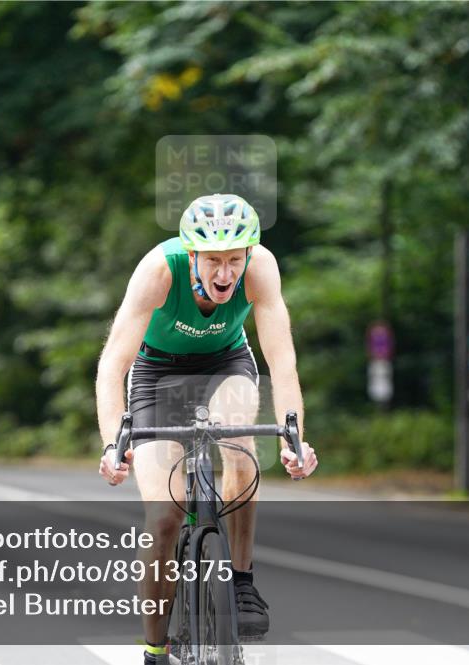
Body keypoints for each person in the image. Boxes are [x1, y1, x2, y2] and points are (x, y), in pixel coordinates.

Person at [96, 193, 319, 663]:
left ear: (247, 255)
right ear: (191, 254)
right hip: (158, 374)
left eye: (233, 261)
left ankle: (241, 584)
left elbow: (282, 360)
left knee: (240, 444)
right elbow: (112, 364)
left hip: (225, 364)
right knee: (163, 519)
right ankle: (156, 646)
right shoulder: (158, 271)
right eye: (213, 261)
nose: (224, 274)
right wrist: (113, 444)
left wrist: (295, 436)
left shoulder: (260, 269)